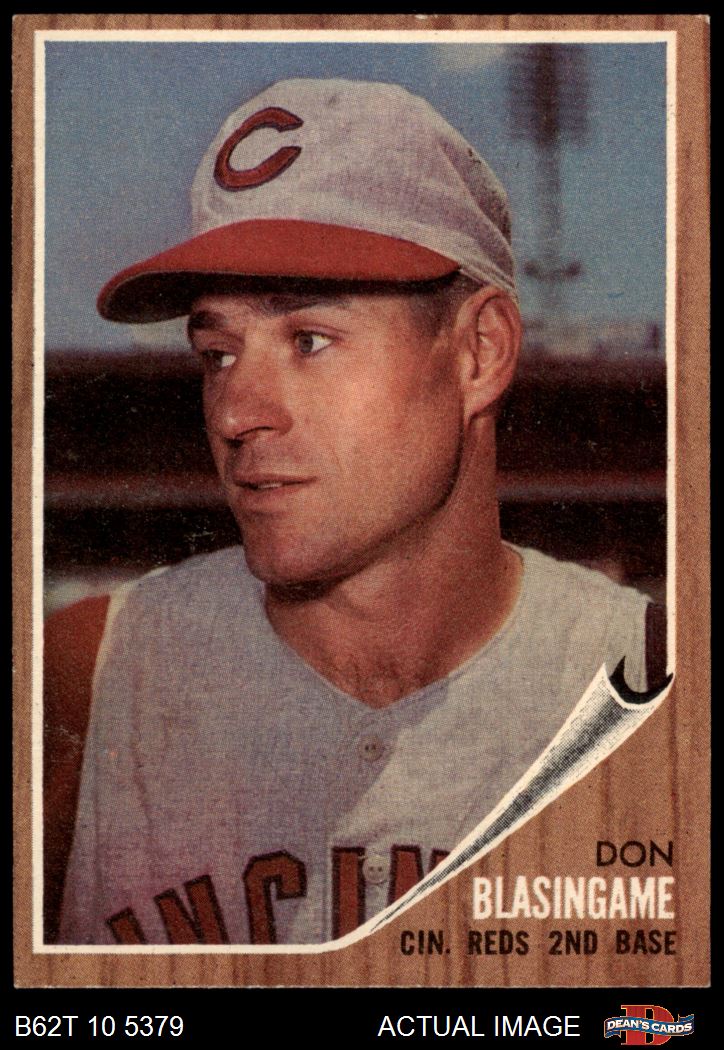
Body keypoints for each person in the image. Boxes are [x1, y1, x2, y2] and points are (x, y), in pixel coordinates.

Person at [46, 79, 665, 946]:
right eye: (217, 353)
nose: (236, 412)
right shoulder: (86, 676)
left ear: (480, 352)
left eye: (309, 340)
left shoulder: (652, 686)